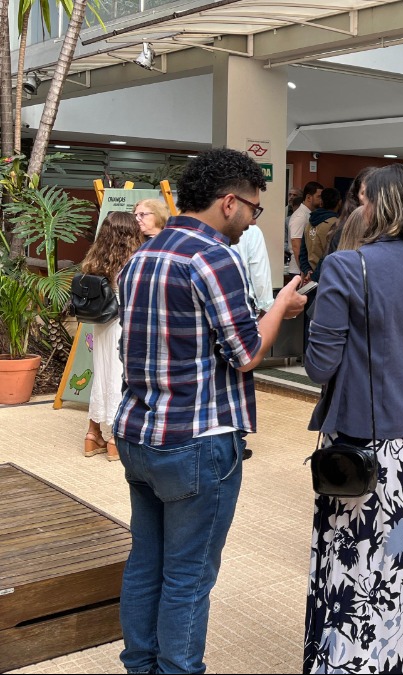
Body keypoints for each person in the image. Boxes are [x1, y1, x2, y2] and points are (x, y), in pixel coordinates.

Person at [113, 149, 307, 673]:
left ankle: (140, 666)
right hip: (198, 438)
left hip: (137, 432)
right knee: (189, 576)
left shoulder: (142, 256)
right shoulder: (212, 257)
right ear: (229, 203)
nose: (252, 220)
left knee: (146, 563)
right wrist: (280, 307)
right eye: (254, 209)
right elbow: (245, 354)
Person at [304, 163, 403, 673]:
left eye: (362, 199)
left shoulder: (347, 267)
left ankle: (352, 661)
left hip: (364, 433)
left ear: (378, 205)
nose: (356, 207)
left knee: (358, 555)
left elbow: (320, 365)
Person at [80, 211, 144, 462]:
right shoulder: (134, 261)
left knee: (102, 376)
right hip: (125, 326)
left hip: (102, 325)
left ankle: (92, 434)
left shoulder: (95, 259)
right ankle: (116, 440)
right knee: (120, 378)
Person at [327, 167, 375, 254]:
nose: (371, 198)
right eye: (365, 192)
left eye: (375, 192)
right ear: (357, 194)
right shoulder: (344, 228)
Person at [286, 181, 323, 282]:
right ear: (309, 197)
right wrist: (304, 271)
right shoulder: (300, 216)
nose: (321, 200)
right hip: (298, 271)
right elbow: (296, 245)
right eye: (319, 196)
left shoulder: (309, 215)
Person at [304, 187, 340, 282]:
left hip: (310, 275)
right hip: (328, 278)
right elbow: (329, 254)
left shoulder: (309, 224)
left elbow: (302, 252)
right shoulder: (337, 225)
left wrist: (307, 271)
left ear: (321, 203)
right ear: (339, 202)